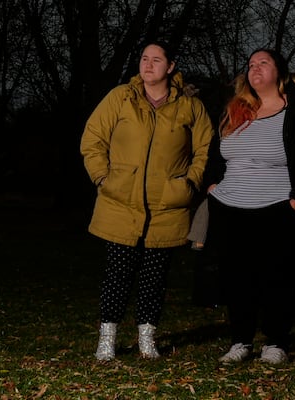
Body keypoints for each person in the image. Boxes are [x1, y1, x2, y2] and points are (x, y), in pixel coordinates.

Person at [203, 48, 295, 364]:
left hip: (277, 206)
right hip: (230, 206)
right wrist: (212, 186)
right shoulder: (235, 109)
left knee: (275, 276)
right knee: (237, 276)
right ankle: (240, 340)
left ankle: (276, 341)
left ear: (279, 71)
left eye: (263, 63)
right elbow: (215, 155)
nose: (255, 68)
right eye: (251, 64)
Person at [80, 41, 214, 361]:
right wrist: (103, 177)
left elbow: (205, 149)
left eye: (156, 60)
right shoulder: (120, 98)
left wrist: (191, 182)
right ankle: (107, 338)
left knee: (154, 277)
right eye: (143, 59)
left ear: (170, 67)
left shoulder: (190, 107)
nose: (148, 65)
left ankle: (146, 339)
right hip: (121, 203)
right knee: (118, 274)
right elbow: (93, 138)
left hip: (167, 207)